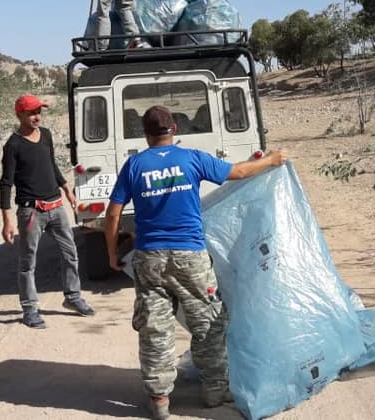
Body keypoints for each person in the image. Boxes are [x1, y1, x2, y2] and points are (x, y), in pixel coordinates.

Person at [103, 105, 287, 419]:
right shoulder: (192, 159)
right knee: (209, 324)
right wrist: (271, 160)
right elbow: (239, 172)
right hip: (190, 255)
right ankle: (215, 392)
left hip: (150, 258)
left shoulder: (134, 165)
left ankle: (159, 400)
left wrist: (111, 252)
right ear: (174, 129)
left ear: (145, 134)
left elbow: (113, 213)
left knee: (155, 328)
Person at [0, 94, 95, 329]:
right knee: (27, 263)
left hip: (56, 207)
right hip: (31, 212)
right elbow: (5, 183)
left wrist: (66, 189)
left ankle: (73, 297)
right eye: (31, 113)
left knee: (70, 253)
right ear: (19, 115)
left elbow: (51, 165)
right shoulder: (13, 145)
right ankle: (30, 309)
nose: (37, 117)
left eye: (39, 112)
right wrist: (7, 220)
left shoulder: (46, 135)